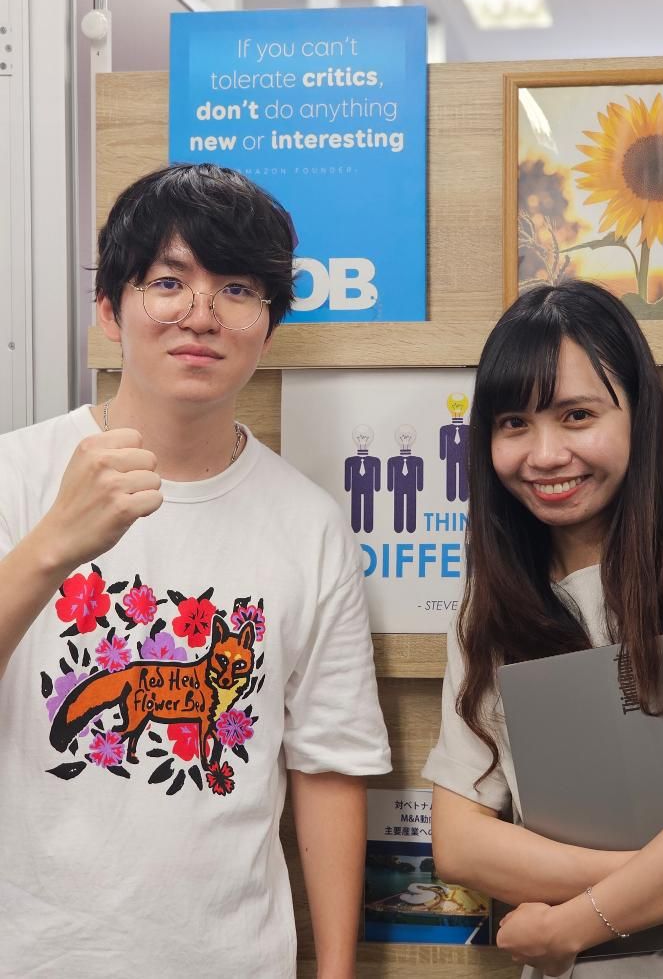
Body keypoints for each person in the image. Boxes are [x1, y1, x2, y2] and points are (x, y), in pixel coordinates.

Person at [0, 163, 391, 978]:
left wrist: (335, 971)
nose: (201, 315)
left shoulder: (310, 523)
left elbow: (327, 766)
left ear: (269, 327)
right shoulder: (16, 477)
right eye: (168, 282)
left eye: (237, 289)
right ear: (109, 309)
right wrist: (51, 547)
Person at [422, 280, 663, 978]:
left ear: (639, 415)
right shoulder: (490, 609)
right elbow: (460, 841)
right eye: (514, 423)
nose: (544, 454)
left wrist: (571, 921)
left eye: (576, 415)